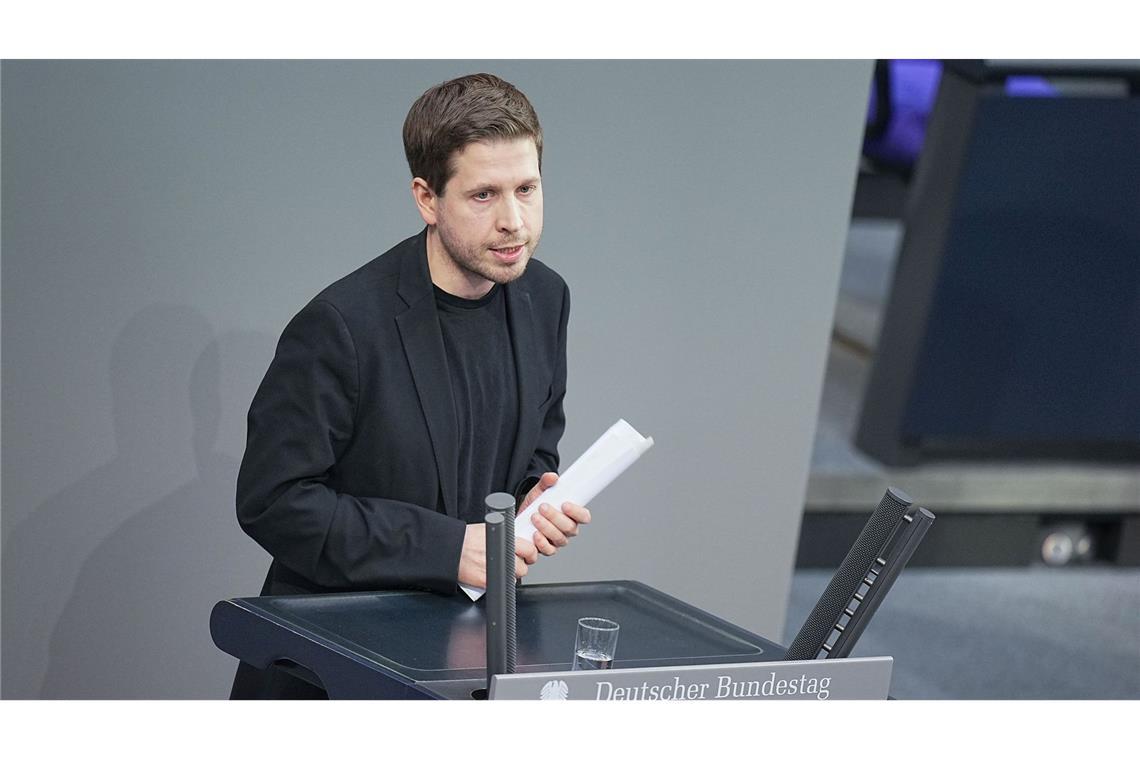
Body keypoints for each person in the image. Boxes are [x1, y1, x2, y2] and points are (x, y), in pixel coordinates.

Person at [230, 73, 591, 699]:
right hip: (333, 669)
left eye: (527, 189)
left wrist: (531, 508)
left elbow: (535, 447)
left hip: (467, 657)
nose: (514, 221)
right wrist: (449, 548)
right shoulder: (341, 326)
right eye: (484, 195)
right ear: (427, 198)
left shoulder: (545, 297)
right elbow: (275, 501)